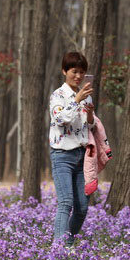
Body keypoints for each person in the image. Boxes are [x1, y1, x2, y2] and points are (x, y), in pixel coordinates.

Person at [49, 51, 95, 247]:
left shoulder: (86, 98)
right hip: (62, 155)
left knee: (82, 208)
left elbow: (88, 127)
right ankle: (58, 249)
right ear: (64, 71)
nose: (78, 76)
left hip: (81, 156)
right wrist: (76, 101)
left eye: (82, 72)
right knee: (65, 202)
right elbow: (60, 119)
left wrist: (90, 115)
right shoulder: (57, 96)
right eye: (74, 71)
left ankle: (67, 243)